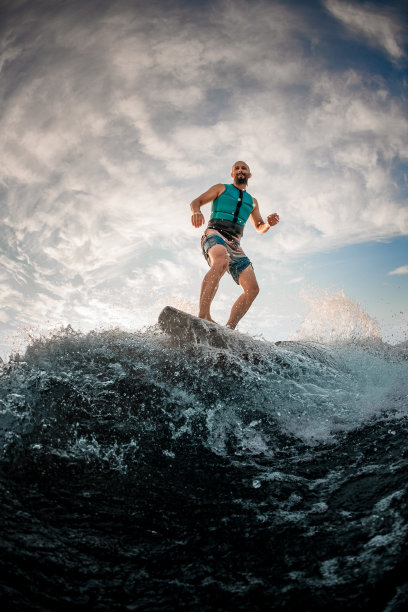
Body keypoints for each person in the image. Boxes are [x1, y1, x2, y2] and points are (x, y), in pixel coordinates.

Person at [190, 161, 280, 329]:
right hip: (215, 233)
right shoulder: (221, 188)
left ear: (249, 175)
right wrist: (196, 211)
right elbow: (196, 202)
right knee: (221, 261)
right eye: (236, 168)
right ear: (232, 174)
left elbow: (260, 227)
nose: (240, 170)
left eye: (243, 168)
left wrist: (267, 224)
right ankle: (203, 315)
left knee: (252, 289)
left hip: (235, 244)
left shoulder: (252, 202)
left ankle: (229, 329)